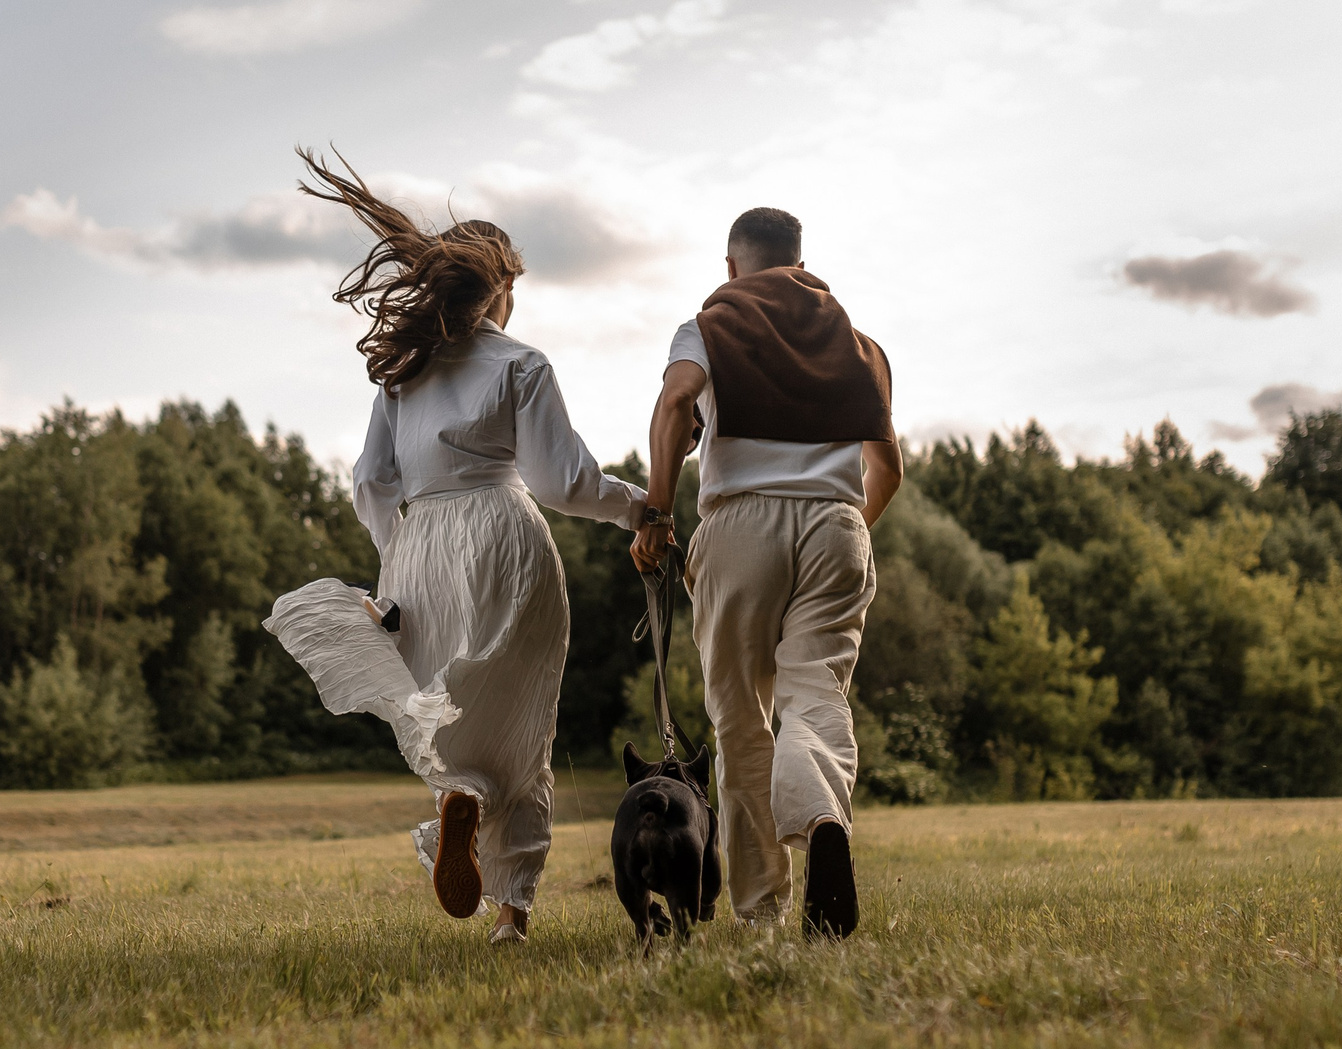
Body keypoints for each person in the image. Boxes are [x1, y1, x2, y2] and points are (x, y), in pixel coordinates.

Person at [264, 151, 646, 944]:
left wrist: (394, 562)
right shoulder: (523, 364)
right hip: (506, 538)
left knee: (440, 711)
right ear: (502, 288)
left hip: (422, 546)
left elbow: (370, 480)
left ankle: (458, 797)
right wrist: (639, 510)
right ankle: (512, 914)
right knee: (522, 719)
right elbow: (562, 482)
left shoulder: (399, 372)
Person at [630, 207, 902, 937]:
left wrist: (657, 512)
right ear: (802, 260)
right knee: (816, 697)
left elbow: (676, 400)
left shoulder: (708, 325)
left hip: (741, 526)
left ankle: (762, 913)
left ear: (732, 267)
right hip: (838, 523)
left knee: (742, 722)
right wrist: (845, 534)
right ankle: (820, 820)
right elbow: (889, 469)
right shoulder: (860, 344)